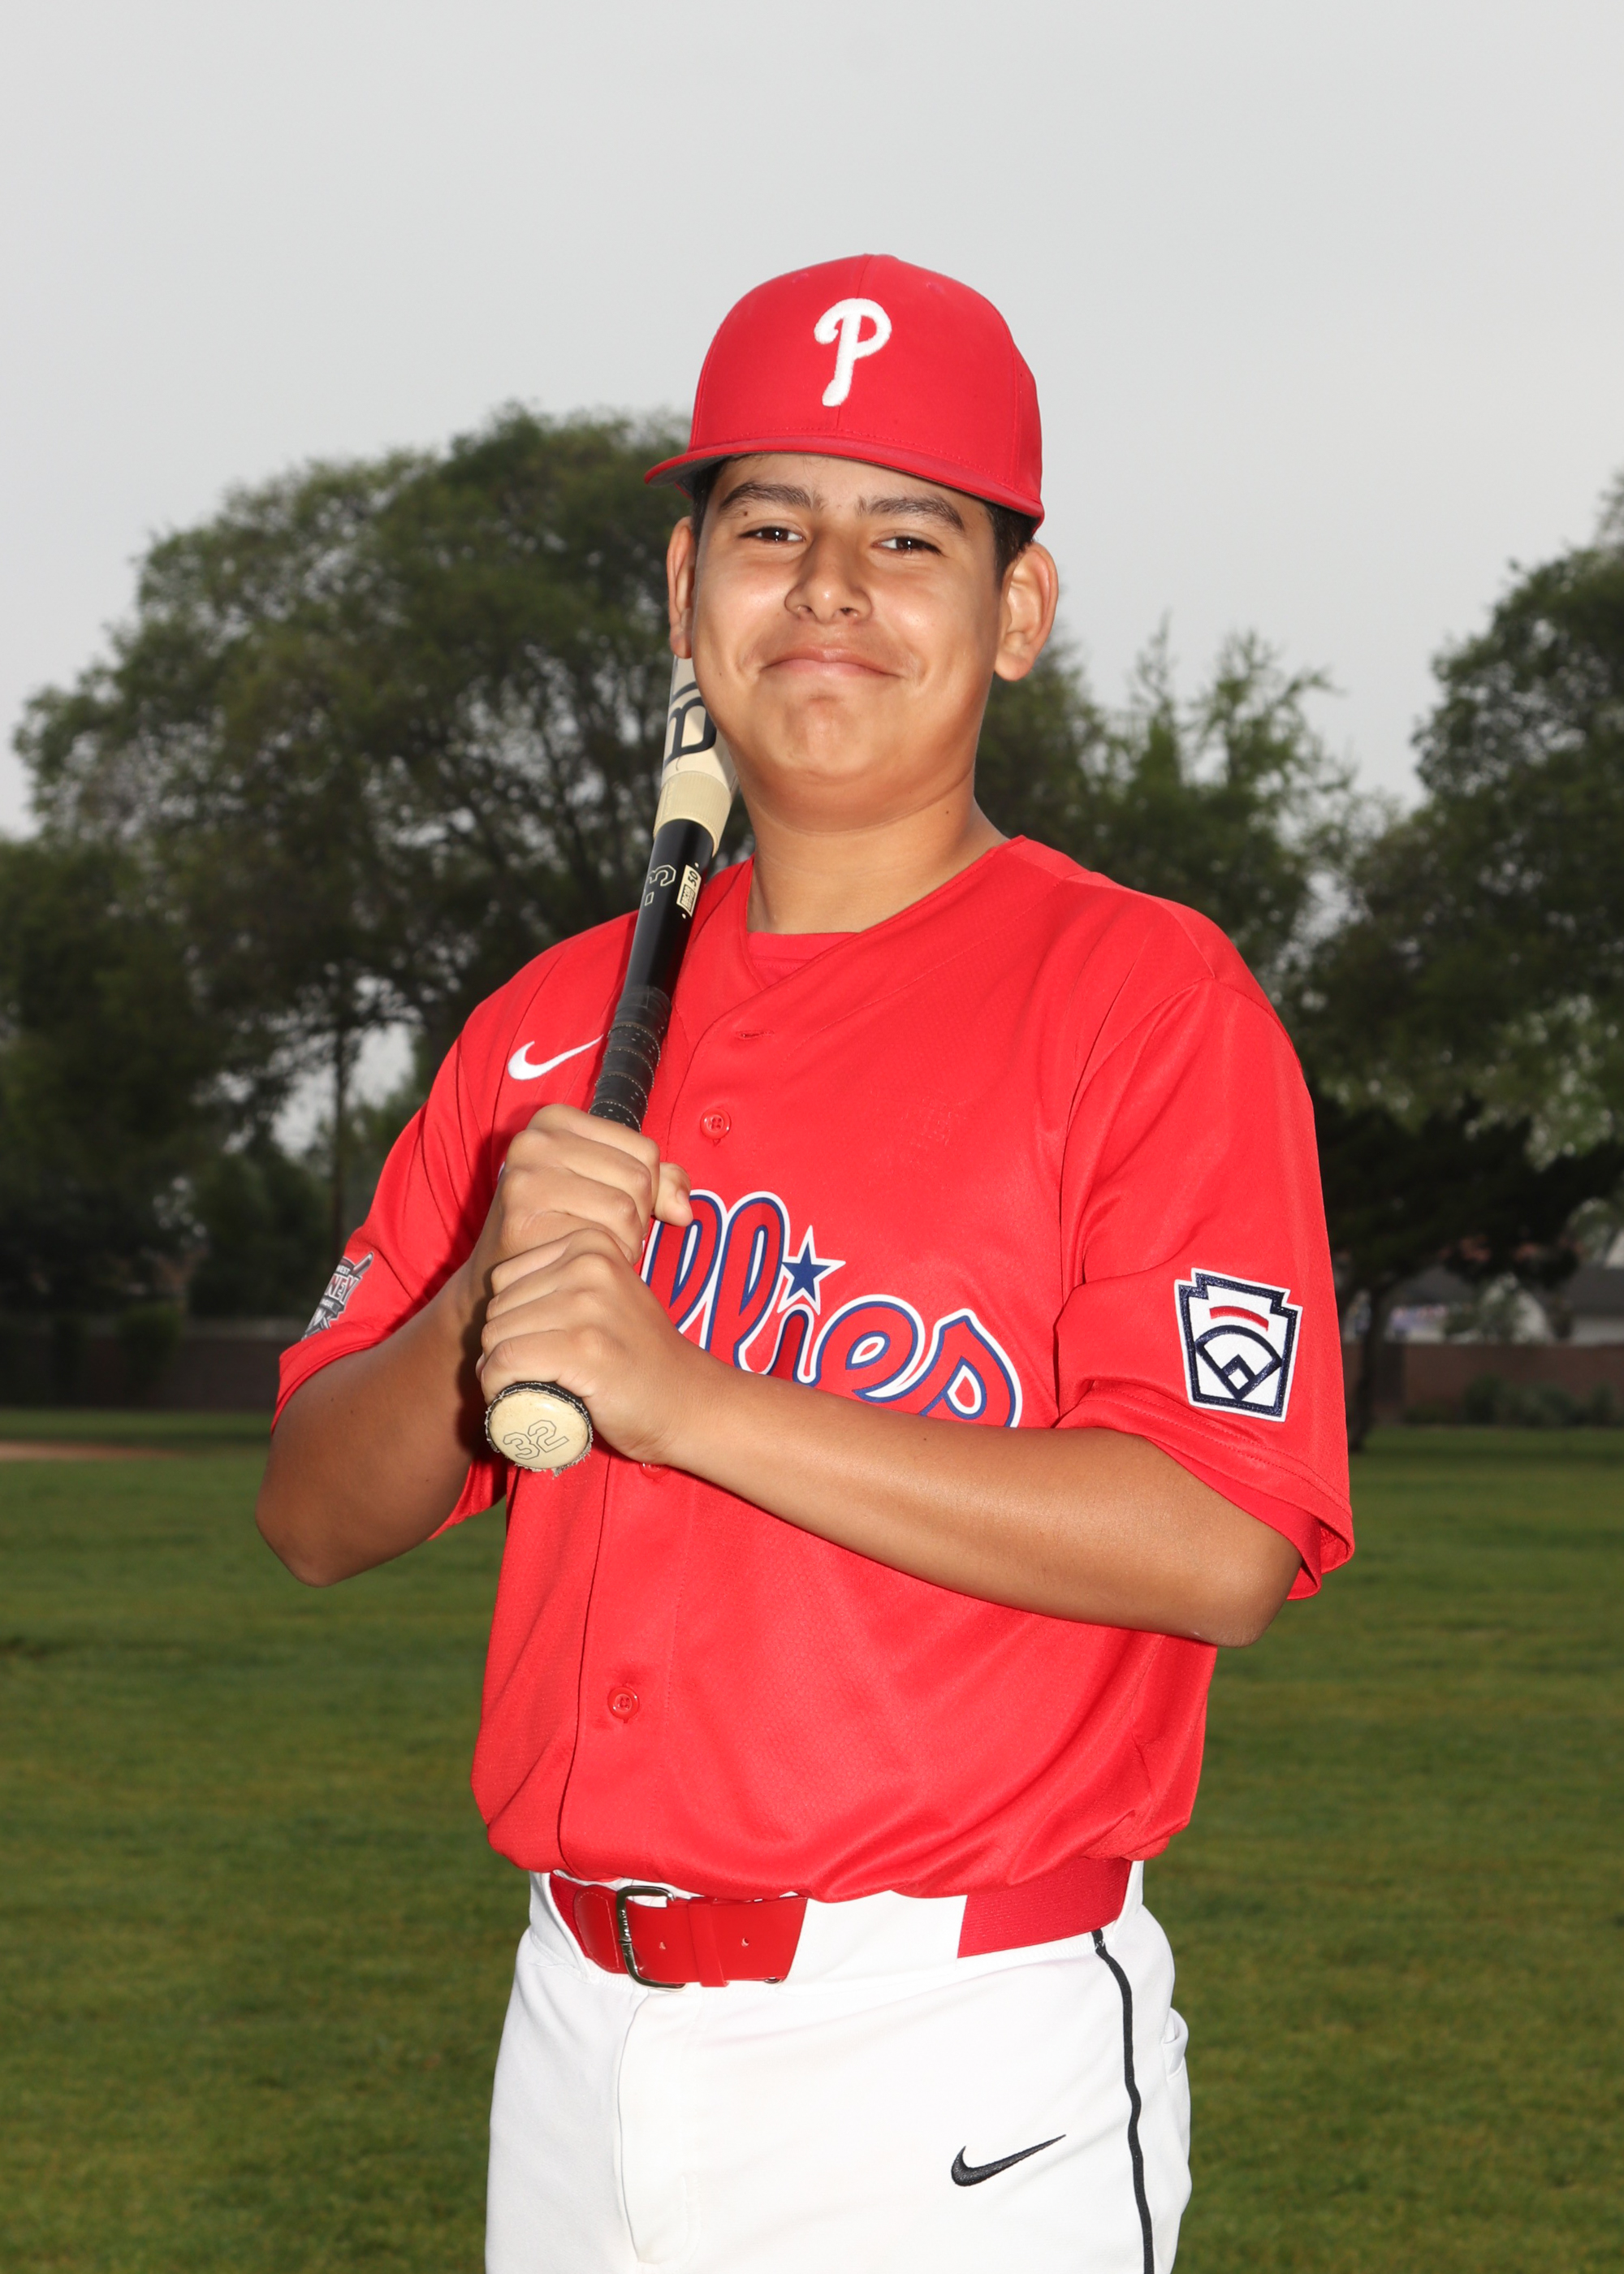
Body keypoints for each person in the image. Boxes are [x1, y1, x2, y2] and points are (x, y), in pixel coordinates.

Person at [257, 253, 1354, 2274]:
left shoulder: (1144, 1001)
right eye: (770, 529)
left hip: (945, 2048)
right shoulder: (551, 1027)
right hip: (572, 2031)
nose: (831, 586)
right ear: (689, 593)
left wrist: (685, 1394)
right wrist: (482, 1293)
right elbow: (315, 1512)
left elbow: (1220, 1538)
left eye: (908, 536)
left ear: (1016, 609)